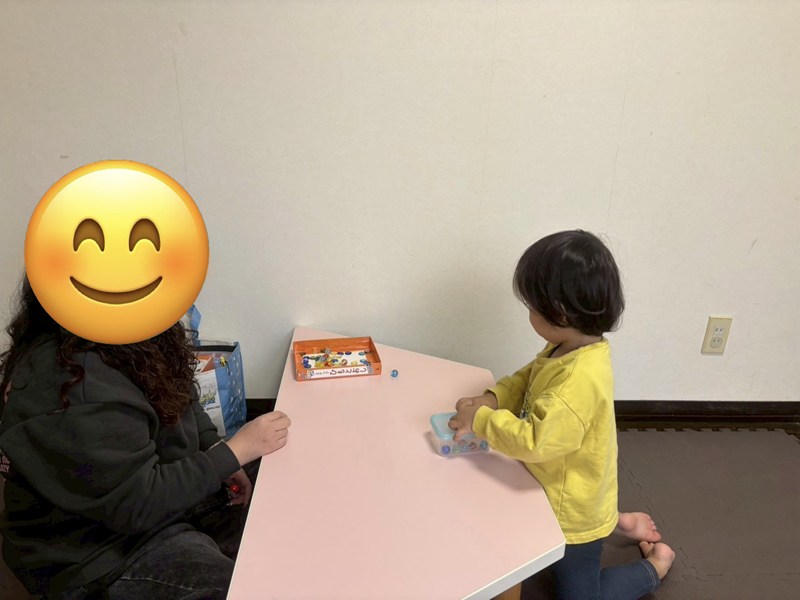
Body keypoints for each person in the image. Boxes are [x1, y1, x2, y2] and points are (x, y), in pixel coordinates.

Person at [0, 276, 291, 599]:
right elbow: (137, 505)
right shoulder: (77, 386)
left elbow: (179, 394)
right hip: (94, 554)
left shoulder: (137, 337)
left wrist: (215, 446)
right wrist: (233, 453)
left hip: (154, 497)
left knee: (279, 479)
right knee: (238, 588)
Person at [448, 230, 674, 600]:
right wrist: (493, 398)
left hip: (573, 517)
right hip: (564, 488)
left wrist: (482, 422)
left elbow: (534, 442)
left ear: (561, 312)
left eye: (532, 307)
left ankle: (654, 567)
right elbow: (528, 377)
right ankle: (617, 522)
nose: (529, 314)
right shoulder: (568, 347)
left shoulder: (577, 382)